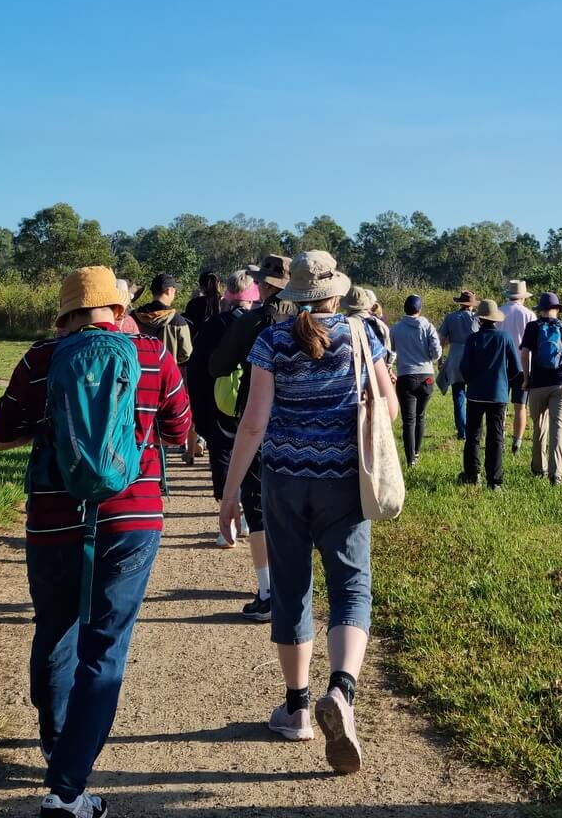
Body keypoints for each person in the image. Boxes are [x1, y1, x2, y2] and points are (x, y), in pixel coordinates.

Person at [0, 265, 193, 817]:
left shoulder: (40, 360)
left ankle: (59, 751)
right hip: (132, 519)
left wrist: (55, 421)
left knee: (55, 631)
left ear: (63, 317)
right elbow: (180, 430)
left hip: (54, 519)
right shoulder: (153, 356)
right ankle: (66, 787)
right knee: (105, 646)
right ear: (119, 312)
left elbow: (3, 431)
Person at [220, 250, 393, 774]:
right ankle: (341, 693)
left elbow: (253, 422)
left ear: (292, 292)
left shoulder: (271, 339)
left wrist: (230, 494)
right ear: (336, 292)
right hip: (345, 480)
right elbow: (387, 404)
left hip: (284, 482)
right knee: (351, 586)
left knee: (292, 586)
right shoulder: (365, 335)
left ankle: (296, 710)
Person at [207, 253, 295, 620]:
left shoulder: (257, 321)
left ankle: (268, 590)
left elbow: (217, 365)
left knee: (257, 504)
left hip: (259, 416)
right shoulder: (315, 321)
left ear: (265, 286)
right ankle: (294, 586)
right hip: (304, 424)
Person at [188, 270, 260, 543]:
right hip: (251, 401)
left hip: (217, 403)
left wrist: (198, 409)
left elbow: (197, 368)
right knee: (251, 456)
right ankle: (245, 518)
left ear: (228, 294)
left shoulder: (215, 324)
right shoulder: (260, 324)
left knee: (222, 455)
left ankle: (226, 521)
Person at [519, 291, 562, 484]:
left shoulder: (532, 327)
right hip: (560, 383)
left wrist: (526, 378)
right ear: (557, 309)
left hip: (538, 384)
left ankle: (539, 469)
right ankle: (556, 474)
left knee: (539, 427)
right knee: (558, 429)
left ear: (540, 309)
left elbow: (524, 355)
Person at [134, 274, 197, 462]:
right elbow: (186, 356)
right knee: (163, 428)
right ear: (169, 291)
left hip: (139, 380)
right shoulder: (178, 321)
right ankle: (160, 471)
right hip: (169, 382)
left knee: (141, 425)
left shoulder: (134, 317)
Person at [457, 299, 513, 490]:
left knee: (473, 435)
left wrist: (471, 380)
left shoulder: (472, 339)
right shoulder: (505, 338)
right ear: (495, 319)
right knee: (495, 436)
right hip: (498, 394)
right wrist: (506, 384)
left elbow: (463, 367)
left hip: (475, 394)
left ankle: (472, 475)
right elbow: (516, 368)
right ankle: (494, 481)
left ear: (480, 319)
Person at [389, 295, 441, 467]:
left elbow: (391, 350)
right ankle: (417, 452)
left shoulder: (396, 328)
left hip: (405, 376)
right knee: (420, 416)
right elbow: (437, 353)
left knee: (408, 420)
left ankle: (410, 458)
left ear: (405, 309)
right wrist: (428, 357)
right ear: (419, 309)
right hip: (426, 376)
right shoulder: (428, 326)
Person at [500, 281, 537, 452]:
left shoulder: (499, 312)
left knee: (501, 405)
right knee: (520, 406)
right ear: (523, 297)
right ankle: (517, 442)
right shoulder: (529, 315)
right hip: (523, 366)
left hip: (502, 365)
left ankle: (499, 437)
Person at [438, 291, 477, 440]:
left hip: (455, 358)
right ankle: (473, 429)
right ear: (472, 305)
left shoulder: (450, 317)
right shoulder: (477, 318)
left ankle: (462, 432)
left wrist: (440, 360)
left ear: (460, 303)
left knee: (458, 396)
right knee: (473, 397)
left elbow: (441, 340)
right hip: (473, 358)